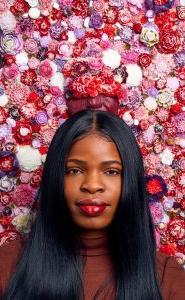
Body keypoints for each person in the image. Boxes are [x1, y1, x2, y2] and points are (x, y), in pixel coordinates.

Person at [0, 102, 185, 300]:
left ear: (131, 180)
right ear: (55, 178)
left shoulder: (167, 278)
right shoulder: (8, 265)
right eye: (74, 170)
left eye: (111, 171)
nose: (92, 185)